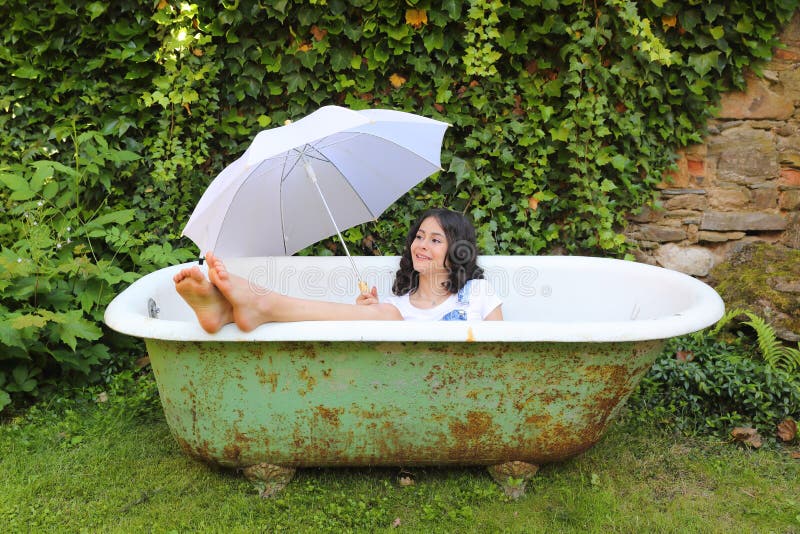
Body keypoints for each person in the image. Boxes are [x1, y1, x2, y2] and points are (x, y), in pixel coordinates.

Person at [173, 208, 503, 333]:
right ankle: (233, 311)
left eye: (435, 240)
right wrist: (364, 317)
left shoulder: (478, 294)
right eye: (419, 236)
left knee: (387, 317)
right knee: (385, 315)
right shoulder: (394, 304)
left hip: (454, 386)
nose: (421, 245)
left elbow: (508, 352)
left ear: (457, 250)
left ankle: (256, 306)